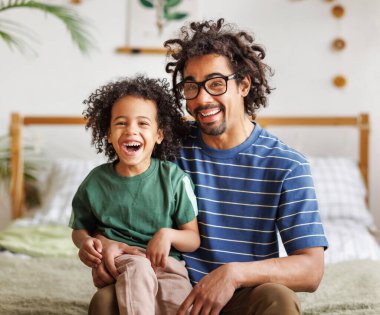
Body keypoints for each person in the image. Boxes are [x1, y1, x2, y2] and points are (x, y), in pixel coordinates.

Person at [89, 19, 328, 315]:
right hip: (164, 293)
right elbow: (116, 201)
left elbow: (312, 269)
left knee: (277, 299)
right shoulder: (167, 147)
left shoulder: (287, 165)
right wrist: (105, 249)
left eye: (216, 84)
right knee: (105, 301)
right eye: (191, 86)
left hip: (240, 298)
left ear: (243, 84)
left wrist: (233, 274)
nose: (202, 99)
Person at [69, 75, 200, 315]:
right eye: (121, 123)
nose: (131, 130)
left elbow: (193, 239)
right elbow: (80, 229)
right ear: (108, 133)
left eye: (142, 123)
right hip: (123, 259)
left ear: (159, 135)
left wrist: (167, 235)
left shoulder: (175, 179)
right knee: (138, 268)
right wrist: (86, 242)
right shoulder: (95, 182)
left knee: (179, 304)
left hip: (167, 265)